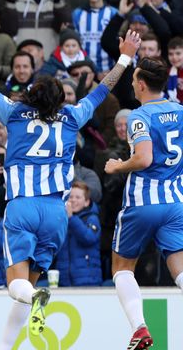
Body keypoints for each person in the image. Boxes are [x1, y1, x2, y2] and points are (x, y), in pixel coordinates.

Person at [0, 24, 140, 350]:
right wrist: (125, 59)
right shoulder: (72, 116)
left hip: (22, 207)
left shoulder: (14, 113)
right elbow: (101, 89)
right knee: (28, 286)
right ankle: (7, 344)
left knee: (16, 284)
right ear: (59, 100)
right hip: (57, 212)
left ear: (31, 94)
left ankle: (36, 298)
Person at [104, 56, 183, 349]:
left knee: (122, 268)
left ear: (140, 83)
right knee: (180, 269)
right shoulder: (180, 111)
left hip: (142, 202)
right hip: (175, 202)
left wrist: (118, 165)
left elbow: (144, 158)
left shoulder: (140, 116)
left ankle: (139, 328)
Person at [52, 181, 102, 287]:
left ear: (87, 202)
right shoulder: (62, 219)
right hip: (64, 282)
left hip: (88, 282)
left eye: (78, 197)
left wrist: (71, 218)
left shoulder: (92, 218)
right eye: (70, 197)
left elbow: (89, 238)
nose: (73, 200)